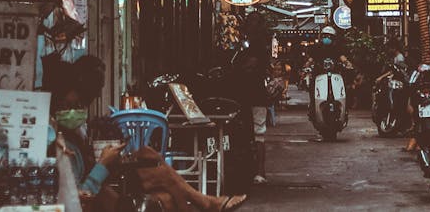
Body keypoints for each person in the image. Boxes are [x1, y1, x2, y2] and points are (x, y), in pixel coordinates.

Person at [43, 56, 246, 212]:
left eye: (78, 105)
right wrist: (103, 165)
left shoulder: (74, 133)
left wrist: (109, 162)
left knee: (149, 157)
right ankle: (206, 203)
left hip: (107, 192)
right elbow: (79, 198)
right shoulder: (54, 143)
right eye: (67, 105)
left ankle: (206, 202)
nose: (75, 110)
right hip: (98, 199)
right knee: (165, 196)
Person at [233, 48, 270, 185]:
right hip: (248, 101)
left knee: (258, 135)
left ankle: (260, 171)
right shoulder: (254, 60)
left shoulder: (246, 60)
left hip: (255, 102)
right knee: (254, 136)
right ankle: (256, 171)